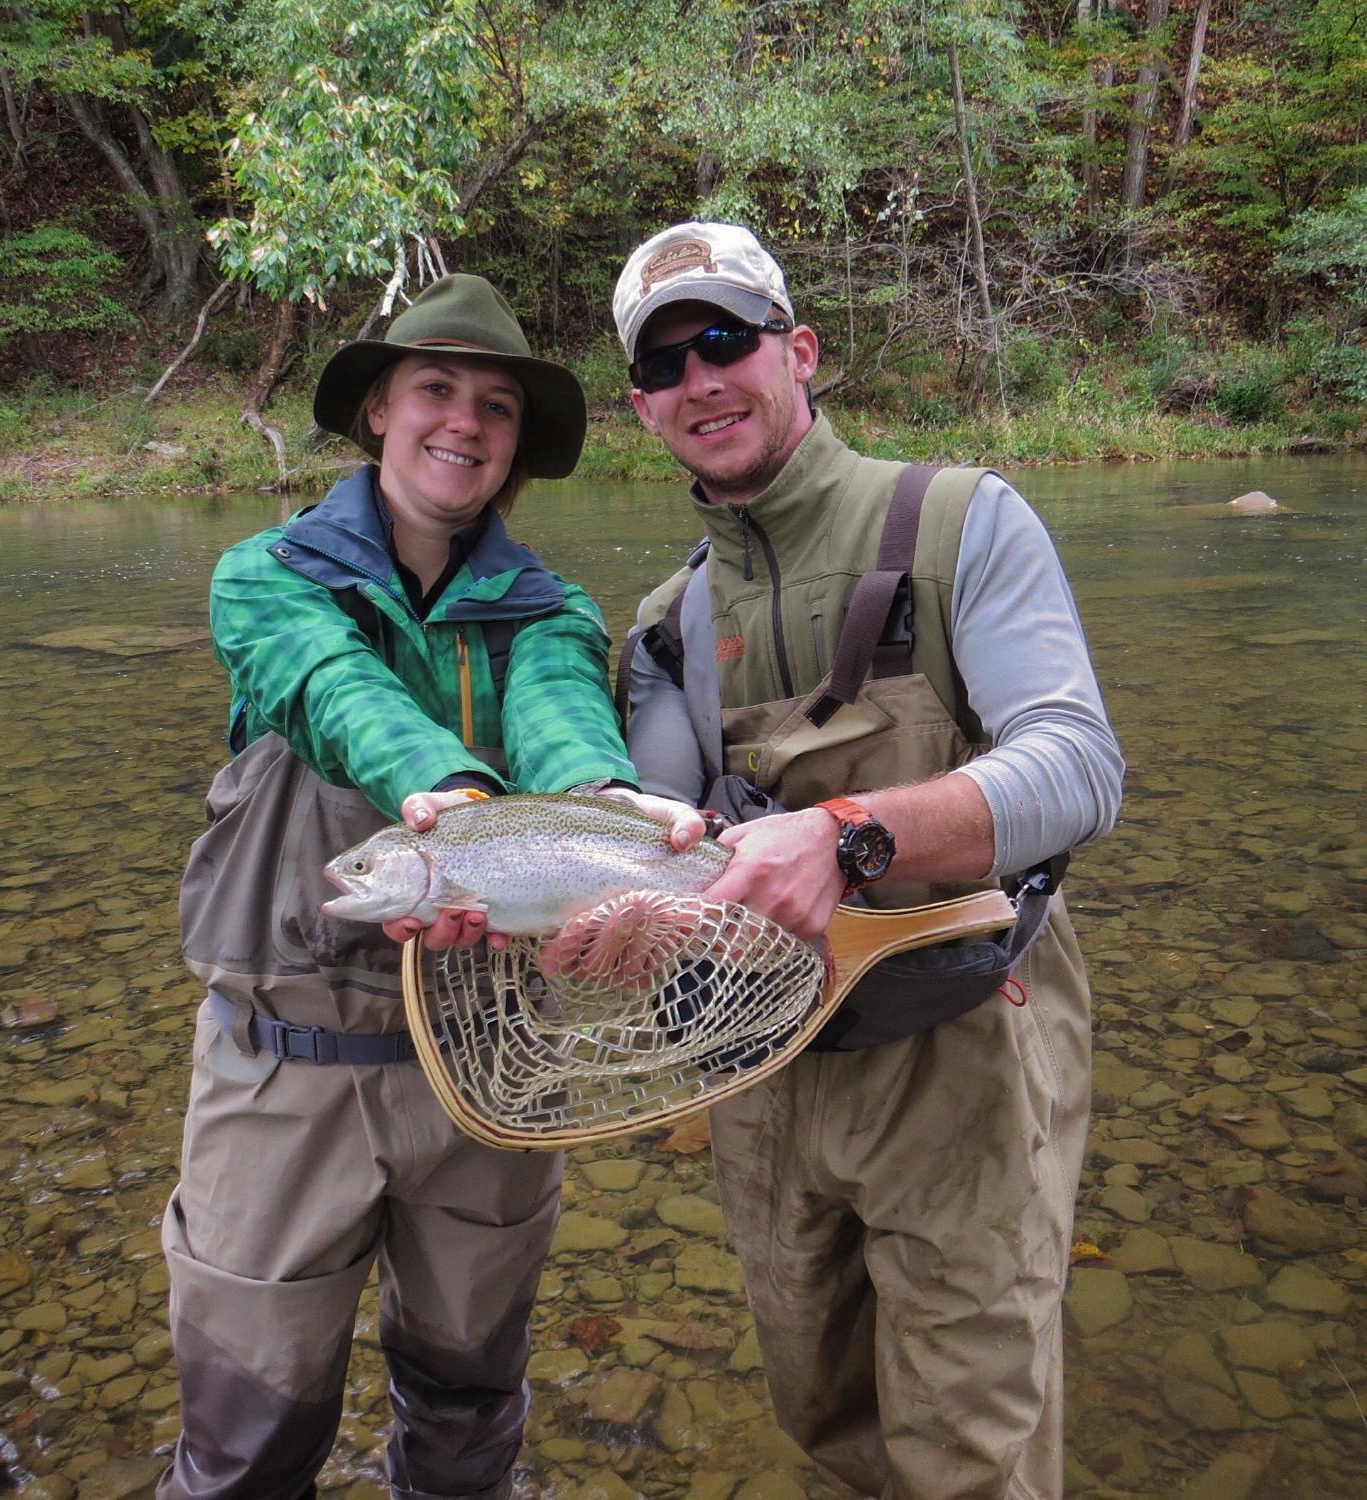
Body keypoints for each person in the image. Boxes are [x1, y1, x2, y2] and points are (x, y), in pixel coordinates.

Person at [160, 273, 701, 1500]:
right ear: (377, 414)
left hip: (490, 1067)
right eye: (435, 390)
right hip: (281, 1067)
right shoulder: (265, 578)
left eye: (496, 405)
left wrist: (609, 808)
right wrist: (442, 791)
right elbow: (331, 690)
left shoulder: (548, 607)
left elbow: (564, 715)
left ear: (516, 443)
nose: (464, 423)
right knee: (246, 1443)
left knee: (468, 1412)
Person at [613, 223, 1125, 1499]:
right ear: (641, 409)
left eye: (724, 339)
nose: (702, 379)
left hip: (961, 1050)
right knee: (826, 1418)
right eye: (667, 363)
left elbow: (1079, 768)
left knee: (971, 1449)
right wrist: (590, 910)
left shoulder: (960, 522)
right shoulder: (666, 622)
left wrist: (852, 836)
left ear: (800, 351)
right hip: (761, 1075)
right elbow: (658, 838)